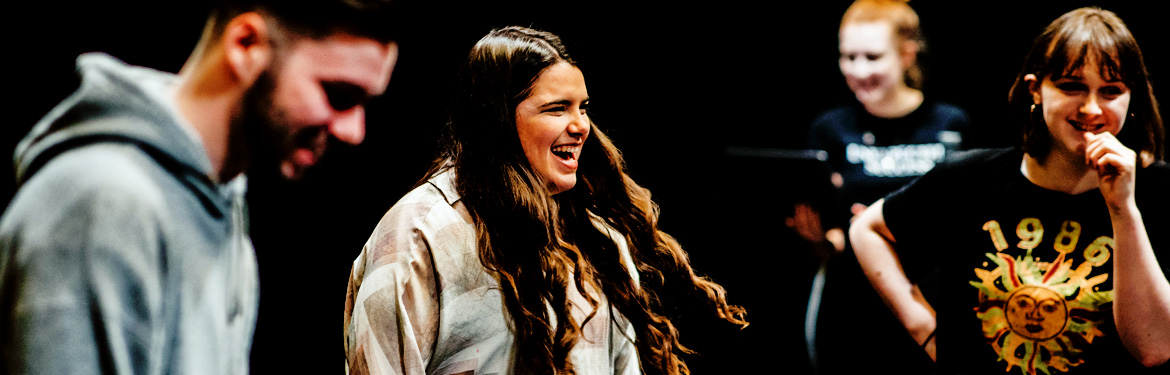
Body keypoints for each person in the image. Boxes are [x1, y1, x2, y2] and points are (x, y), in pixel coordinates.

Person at [0, 1, 399, 374]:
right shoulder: (98, 200)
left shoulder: (222, 202)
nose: (355, 131)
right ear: (245, 45)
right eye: (339, 95)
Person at [343, 26, 747, 375]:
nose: (580, 126)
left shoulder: (599, 243)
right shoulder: (421, 233)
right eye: (557, 109)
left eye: (583, 108)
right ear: (498, 119)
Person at [850, 7, 1169, 374]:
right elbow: (867, 229)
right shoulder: (970, 178)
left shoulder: (1157, 189)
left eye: (1111, 91)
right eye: (1071, 86)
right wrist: (922, 326)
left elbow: (1154, 348)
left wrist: (1123, 209)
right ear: (1036, 90)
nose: (1092, 107)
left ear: (1132, 99)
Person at [800, 0, 968, 372]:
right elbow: (831, 232)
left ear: (907, 54)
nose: (859, 70)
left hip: (933, 297)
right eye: (849, 57)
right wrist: (820, 240)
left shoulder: (951, 123)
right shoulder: (829, 129)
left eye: (873, 57)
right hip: (853, 305)